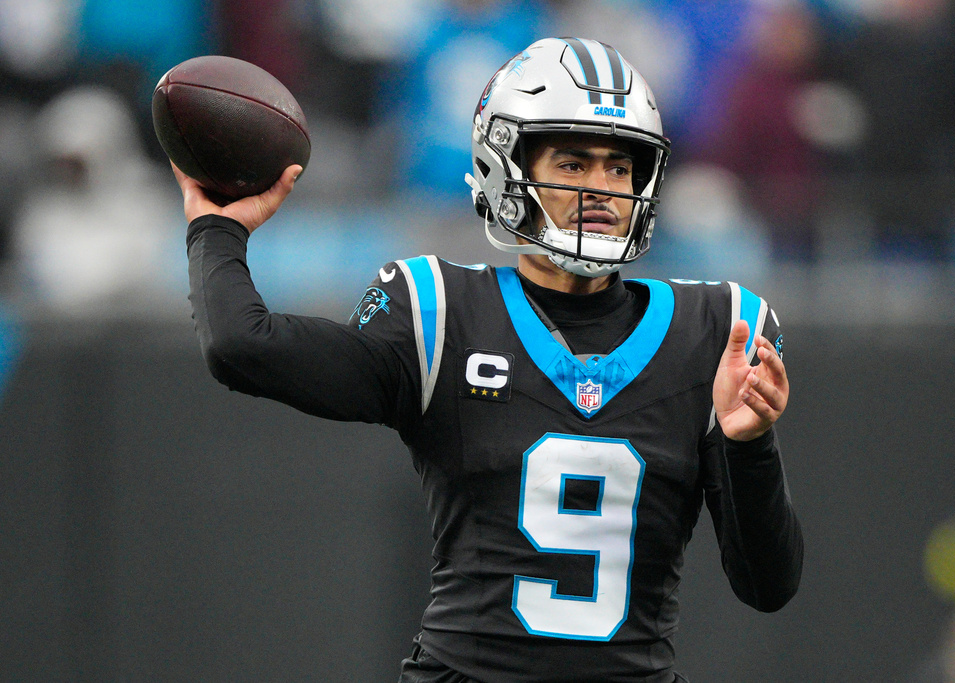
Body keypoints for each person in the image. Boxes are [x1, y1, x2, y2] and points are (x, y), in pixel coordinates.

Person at [175, 37, 803, 683]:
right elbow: (242, 346)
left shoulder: (716, 332)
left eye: (621, 166)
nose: (601, 187)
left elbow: (768, 584)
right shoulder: (441, 311)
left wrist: (749, 445)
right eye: (572, 162)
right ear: (506, 164)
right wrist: (219, 228)